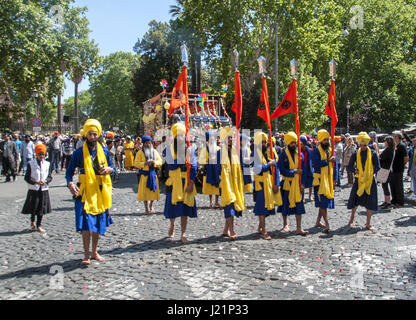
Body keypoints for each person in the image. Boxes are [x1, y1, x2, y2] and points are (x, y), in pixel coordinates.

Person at [66, 119, 114, 266]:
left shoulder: (104, 151)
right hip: (84, 192)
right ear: (85, 135)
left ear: (98, 135)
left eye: (95, 134)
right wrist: (70, 184)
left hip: (100, 192)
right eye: (90, 134)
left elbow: (113, 168)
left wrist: (109, 170)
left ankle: (95, 251)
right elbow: (69, 173)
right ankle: (86, 254)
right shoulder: (78, 153)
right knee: (87, 224)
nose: (92, 137)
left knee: (98, 223)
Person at [164, 123, 198, 244]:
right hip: (174, 183)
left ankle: (183, 233)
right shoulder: (169, 149)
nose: (180, 138)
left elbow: (194, 166)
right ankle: (172, 224)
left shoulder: (190, 148)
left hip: (185, 181)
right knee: (173, 209)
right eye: (178, 135)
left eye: (182, 135)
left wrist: (192, 182)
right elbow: (171, 165)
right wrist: (182, 158)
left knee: (185, 209)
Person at [347, 132, 380, 231]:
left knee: (370, 201)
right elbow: (349, 166)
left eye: (364, 145)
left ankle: (368, 223)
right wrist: (355, 170)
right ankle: (351, 219)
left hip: (369, 180)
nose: (363, 147)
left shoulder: (373, 153)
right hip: (359, 180)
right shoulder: (356, 153)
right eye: (361, 145)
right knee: (355, 200)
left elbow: (378, 166)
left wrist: (370, 172)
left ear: (367, 144)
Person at [217, 127, 246, 241]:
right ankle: (232, 230)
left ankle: (226, 229)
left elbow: (241, 166)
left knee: (232, 205)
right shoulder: (219, 153)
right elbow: (216, 168)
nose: (230, 140)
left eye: (231, 138)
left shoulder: (236, 152)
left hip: (235, 183)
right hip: (225, 184)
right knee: (229, 204)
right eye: (228, 138)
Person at [277, 132, 308, 236]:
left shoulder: (300, 155)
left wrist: (303, 184)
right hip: (287, 183)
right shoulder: (282, 155)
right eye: (292, 143)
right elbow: (282, 170)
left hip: (298, 184)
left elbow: (303, 170)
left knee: (299, 205)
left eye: (295, 143)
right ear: (287, 143)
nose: (294, 145)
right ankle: (285, 224)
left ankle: (299, 227)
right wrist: (294, 171)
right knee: (285, 205)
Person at [253, 132, 282, 240]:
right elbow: (257, 168)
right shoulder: (255, 154)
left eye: (265, 142)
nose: (264, 144)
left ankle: (260, 227)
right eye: (262, 142)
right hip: (260, 184)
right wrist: (269, 165)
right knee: (262, 208)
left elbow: (275, 170)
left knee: (267, 208)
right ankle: (263, 231)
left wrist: (276, 183)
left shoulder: (270, 153)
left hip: (269, 183)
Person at [21, 144, 52, 233]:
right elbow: (27, 177)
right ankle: (32, 221)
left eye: (43, 154)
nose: (41, 156)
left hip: (43, 189)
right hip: (33, 189)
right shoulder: (31, 163)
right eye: (39, 154)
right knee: (33, 207)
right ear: (36, 154)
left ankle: (39, 225)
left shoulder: (47, 164)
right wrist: (36, 182)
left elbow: (50, 176)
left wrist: (45, 181)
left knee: (41, 208)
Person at [312, 130, 336, 233]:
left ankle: (318, 222)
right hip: (319, 181)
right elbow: (316, 163)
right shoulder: (316, 151)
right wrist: (327, 161)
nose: (326, 141)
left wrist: (335, 179)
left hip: (328, 180)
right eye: (325, 140)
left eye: (328, 139)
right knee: (323, 203)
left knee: (323, 203)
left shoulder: (330, 150)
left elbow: (335, 167)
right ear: (321, 140)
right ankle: (327, 224)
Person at [134, 135, 162, 215]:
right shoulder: (139, 153)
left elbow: (160, 162)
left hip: (153, 175)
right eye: (146, 143)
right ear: (143, 144)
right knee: (145, 193)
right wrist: (144, 163)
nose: (148, 144)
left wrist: (154, 162)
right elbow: (135, 163)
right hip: (144, 176)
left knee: (153, 191)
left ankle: (151, 205)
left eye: (149, 143)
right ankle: (146, 207)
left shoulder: (155, 152)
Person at [198, 131, 220, 209]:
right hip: (209, 169)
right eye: (211, 139)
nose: (212, 140)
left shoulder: (218, 148)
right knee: (209, 186)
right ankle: (211, 202)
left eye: (213, 138)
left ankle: (217, 201)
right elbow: (201, 160)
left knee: (217, 185)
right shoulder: (205, 149)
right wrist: (207, 162)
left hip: (217, 169)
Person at [389, 131, 409, 208]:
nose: (392, 138)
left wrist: (402, 165)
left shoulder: (402, 146)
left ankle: (400, 202)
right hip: (392, 169)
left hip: (398, 169)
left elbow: (406, 158)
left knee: (398, 186)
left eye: (394, 136)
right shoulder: (393, 146)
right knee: (392, 185)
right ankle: (394, 200)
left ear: (397, 137)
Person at [379, 136, 396, 209]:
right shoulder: (391, 149)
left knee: (385, 186)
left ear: (388, 142)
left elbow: (381, 157)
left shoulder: (388, 150)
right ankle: (386, 201)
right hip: (387, 169)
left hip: (386, 170)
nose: (384, 142)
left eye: (385, 141)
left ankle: (388, 202)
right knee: (384, 185)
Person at [300, 135, 313, 201]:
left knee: (310, 184)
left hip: (308, 168)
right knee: (302, 183)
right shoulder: (299, 151)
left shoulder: (310, 150)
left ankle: (310, 196)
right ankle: (302, 197)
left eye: (301, 143)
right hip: (302, 169)